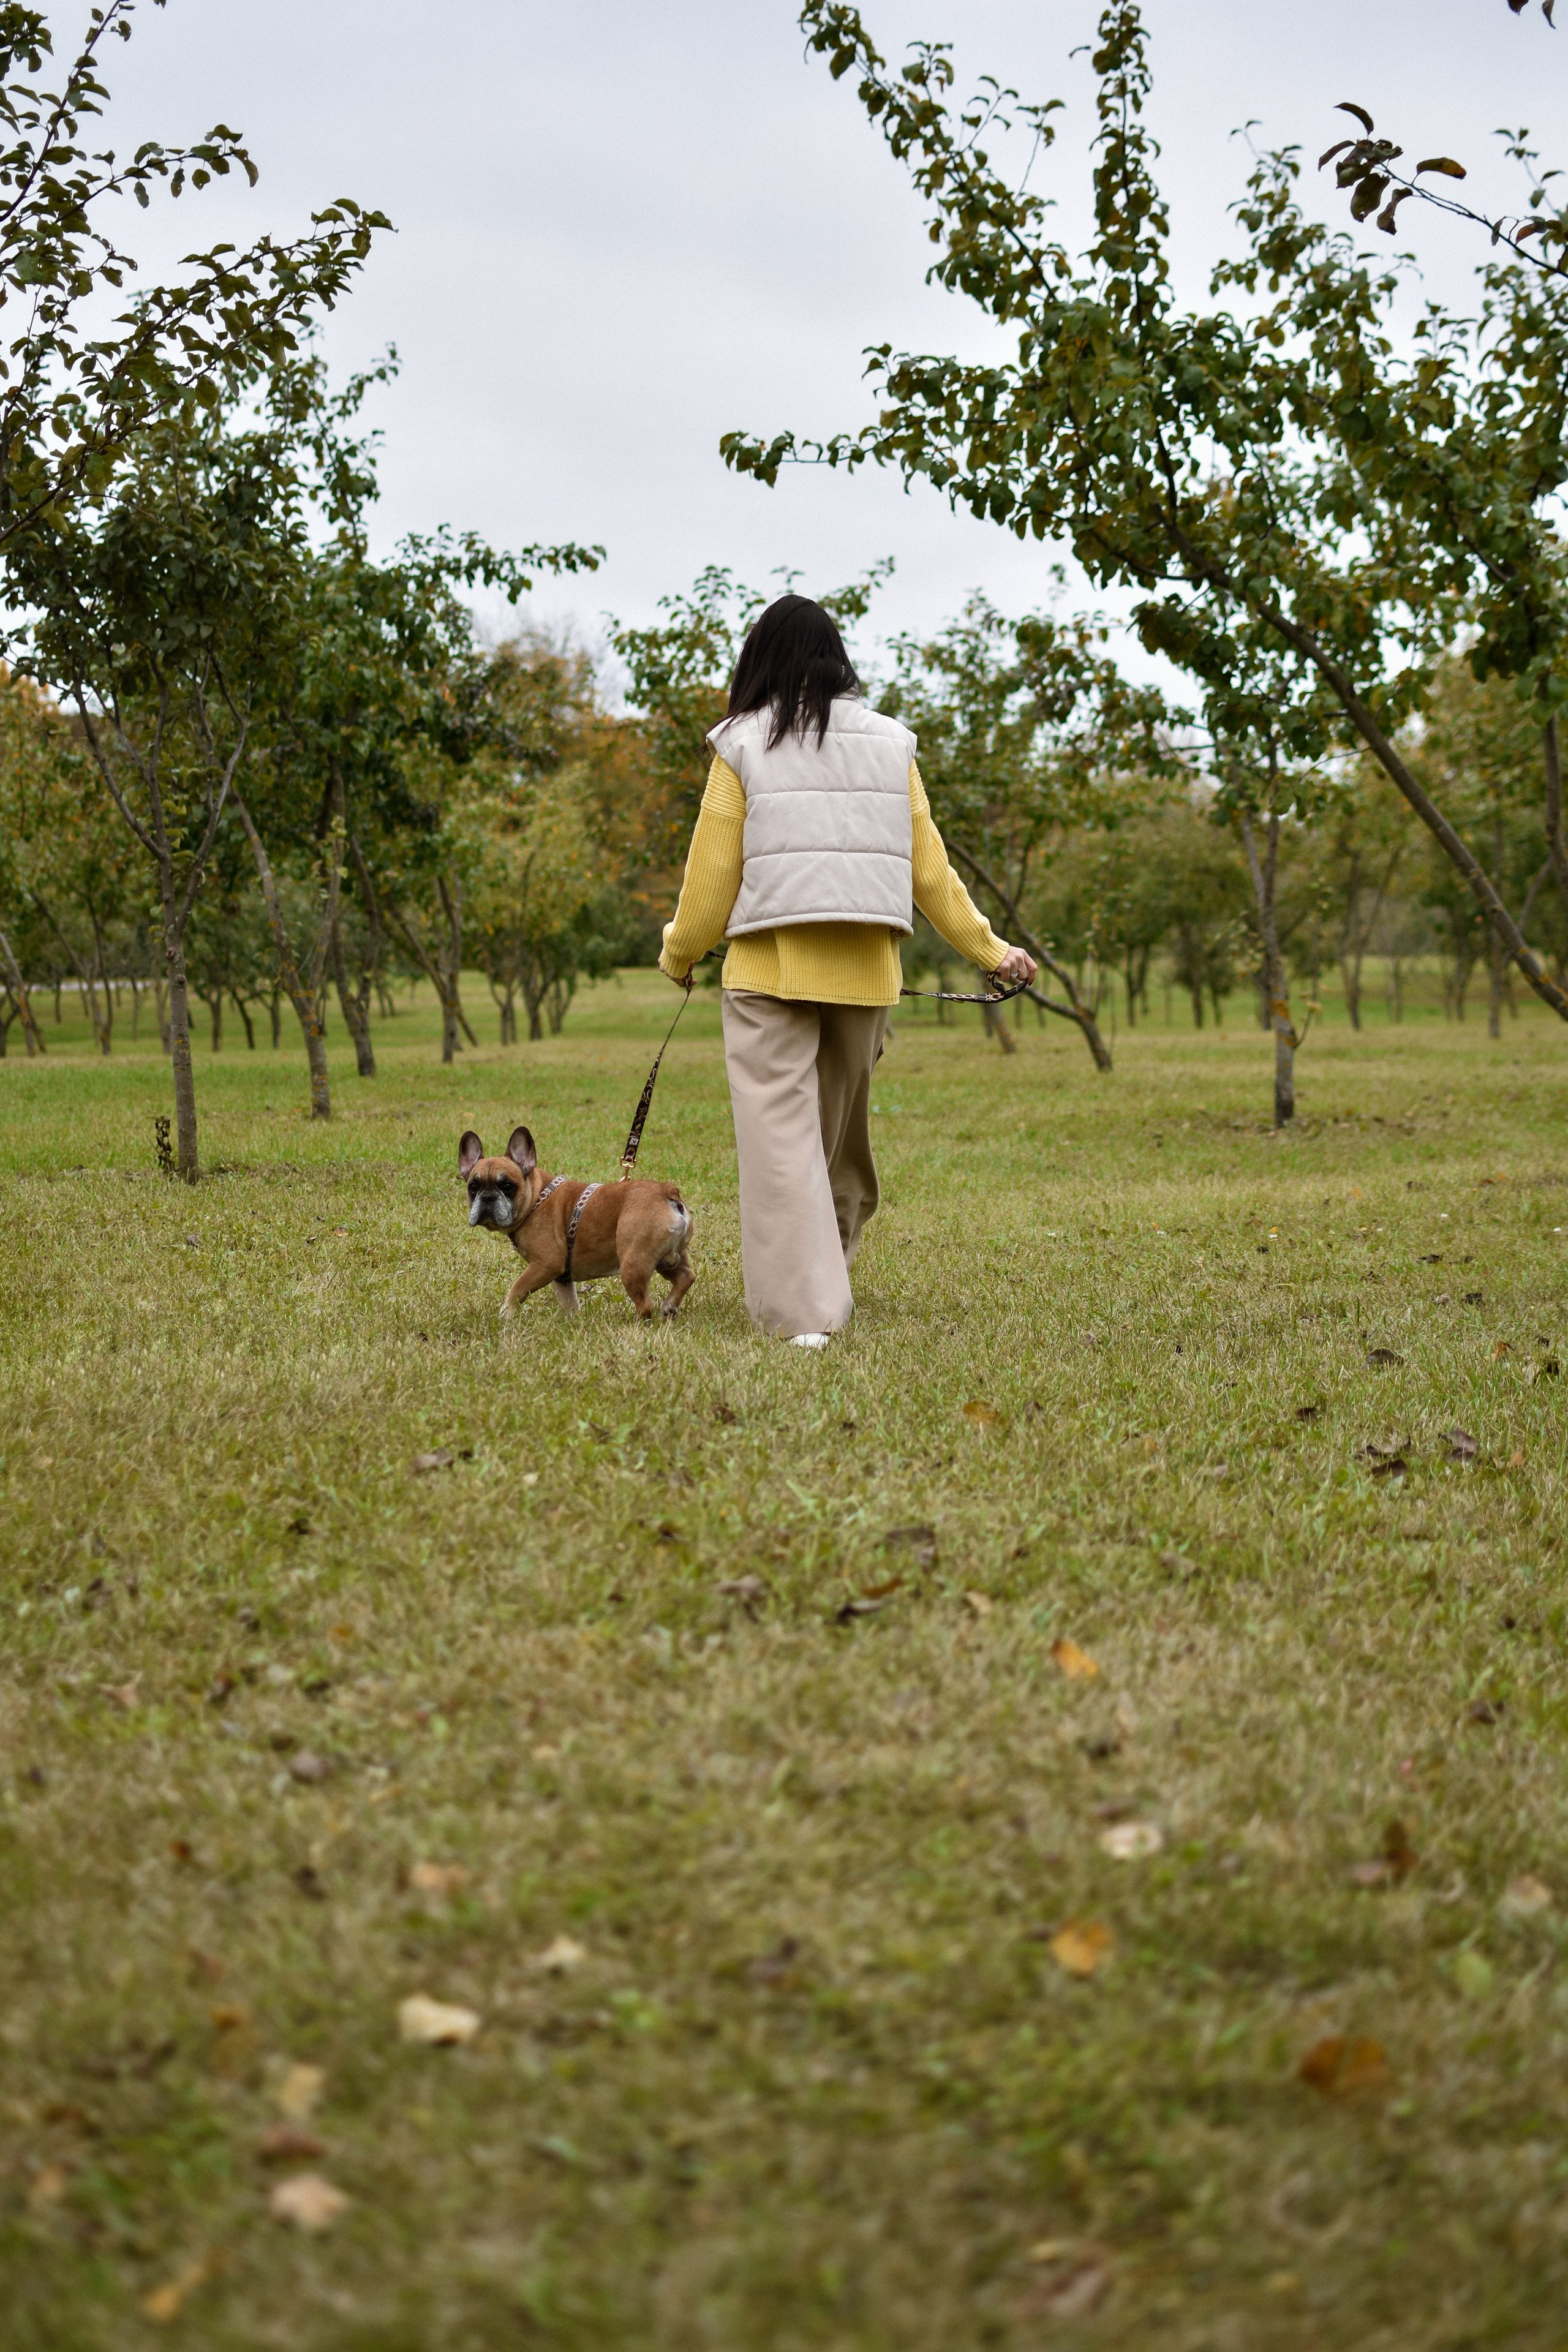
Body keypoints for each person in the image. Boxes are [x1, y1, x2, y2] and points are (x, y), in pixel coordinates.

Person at [659, 594, 1038, 1347]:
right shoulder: (890, 744)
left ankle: (805, 1314)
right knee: (835, 1141)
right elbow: (932, 874)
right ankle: (827, 1270)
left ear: (758, 660)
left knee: (783, 1147)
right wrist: (993, 952)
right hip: (865, 975)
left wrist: (679, 952)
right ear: (836, 658)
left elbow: (710, 880)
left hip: (769, 970)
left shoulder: (739, 745)